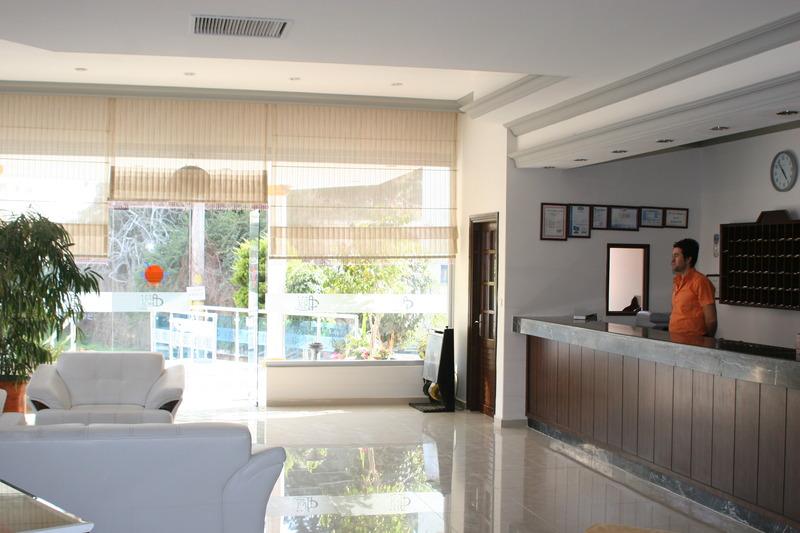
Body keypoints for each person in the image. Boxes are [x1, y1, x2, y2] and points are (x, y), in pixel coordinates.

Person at [669, 238, 717, 337]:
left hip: (694, 341)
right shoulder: (677, 281)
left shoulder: (700, 282)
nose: (672, 260)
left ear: (688, 259)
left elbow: (711, 320)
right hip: (675, 340)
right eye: (673, 256)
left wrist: (707, 340)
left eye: (676, 256)